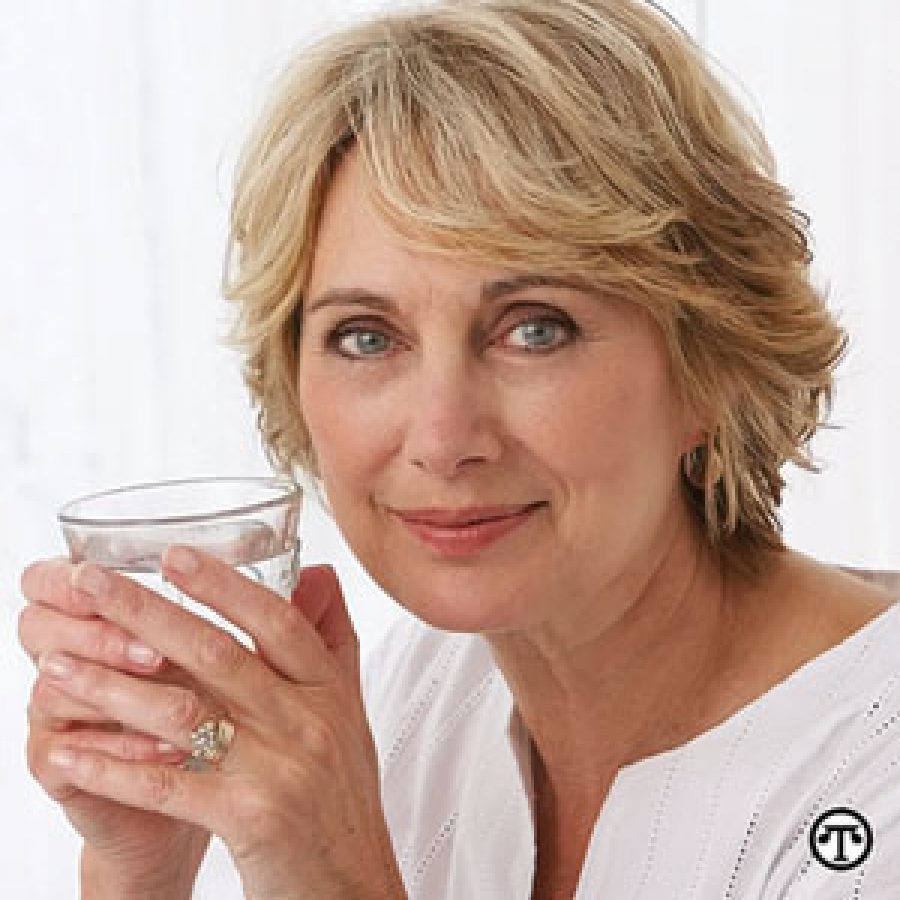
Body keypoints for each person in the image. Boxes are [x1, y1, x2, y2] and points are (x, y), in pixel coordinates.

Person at [18, 0, 900, 897]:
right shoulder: (416, 698)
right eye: (366, 337)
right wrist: (144, 873)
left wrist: (333, 871)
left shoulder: (873, 774)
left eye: (535, 331)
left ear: (711, 362)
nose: (442, 439)